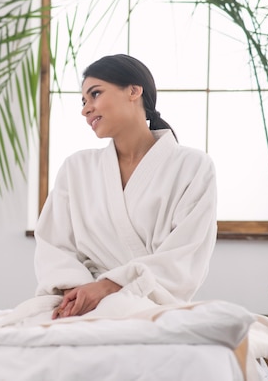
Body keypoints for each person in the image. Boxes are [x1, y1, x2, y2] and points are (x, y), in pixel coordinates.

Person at [34, 54, 217, 319]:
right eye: (83, 101)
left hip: (151, 303)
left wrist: (108, 288)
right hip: (76, 304)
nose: (85, 109)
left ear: (134, 90)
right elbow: (53, 245)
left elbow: (185, 255)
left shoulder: (193, 166)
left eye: (95, 94)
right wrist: (81, 293)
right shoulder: (76, 168)